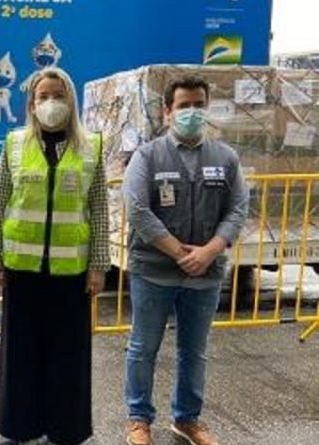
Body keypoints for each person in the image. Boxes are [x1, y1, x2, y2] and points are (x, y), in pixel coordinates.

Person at [122, 76, 249, 445]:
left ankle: (187, 419)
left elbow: (238, 209)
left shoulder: (225, 159)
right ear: (167, 112)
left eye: (198, 105)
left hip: (205, 274)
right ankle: (139, 419)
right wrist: (180, 253)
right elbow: (138, 210)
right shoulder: (147, 156)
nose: (192, 112)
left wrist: (209, 251)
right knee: (143, 347)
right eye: (183, 106)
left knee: (194, 351)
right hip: (154, 271)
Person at [0, 66, 110, 445]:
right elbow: (0, 202)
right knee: (20, 355)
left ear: (71, 101)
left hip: (70, 271)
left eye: (59, 96)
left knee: (68, 356)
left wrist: (98, 265)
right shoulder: (14, 144)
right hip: (22, 269)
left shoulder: (91, 146)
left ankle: (65, 430)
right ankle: (18, 428)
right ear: (31, 103)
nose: (51, 103)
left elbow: (99, 207)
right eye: (43, 96)